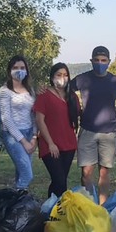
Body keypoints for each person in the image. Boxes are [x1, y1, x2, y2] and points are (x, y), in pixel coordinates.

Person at [72, 46, 116, 203]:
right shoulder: (82, 79)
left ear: (109, 61)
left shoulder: (115, 81)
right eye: (97, 60)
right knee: (87, 171)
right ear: (91, 61)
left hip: (109, 132)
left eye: (103, 60)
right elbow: (62, 90)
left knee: (104, 171)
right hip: (87, 130)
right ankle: (89, 203)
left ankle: (102, 205)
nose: (100, 63)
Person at [34, 63, 80, 198]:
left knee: (60, 181)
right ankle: (58, 210)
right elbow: (40, 120)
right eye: (59, 75)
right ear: (52, 77)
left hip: (69, 144)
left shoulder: (72, 96)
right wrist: (50, 143)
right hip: (50, 145)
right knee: (59, 180)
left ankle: (52, 210)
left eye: (65, 75)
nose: (62, 78)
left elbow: (77, 114)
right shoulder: (44, 95)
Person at [0, 55, 37, 190]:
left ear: (26, 70)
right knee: (27, 174)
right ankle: (12, 200)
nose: (19, 71)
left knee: (21, 173)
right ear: (9, 71)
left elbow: (33, 114)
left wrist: (34, 137)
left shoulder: (30, 90)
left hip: (28, 132)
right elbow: (6, 119)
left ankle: (19, 207)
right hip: (12, 135)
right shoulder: (4, 91)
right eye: (15, 68)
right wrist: (23, 141)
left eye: (22, 68)